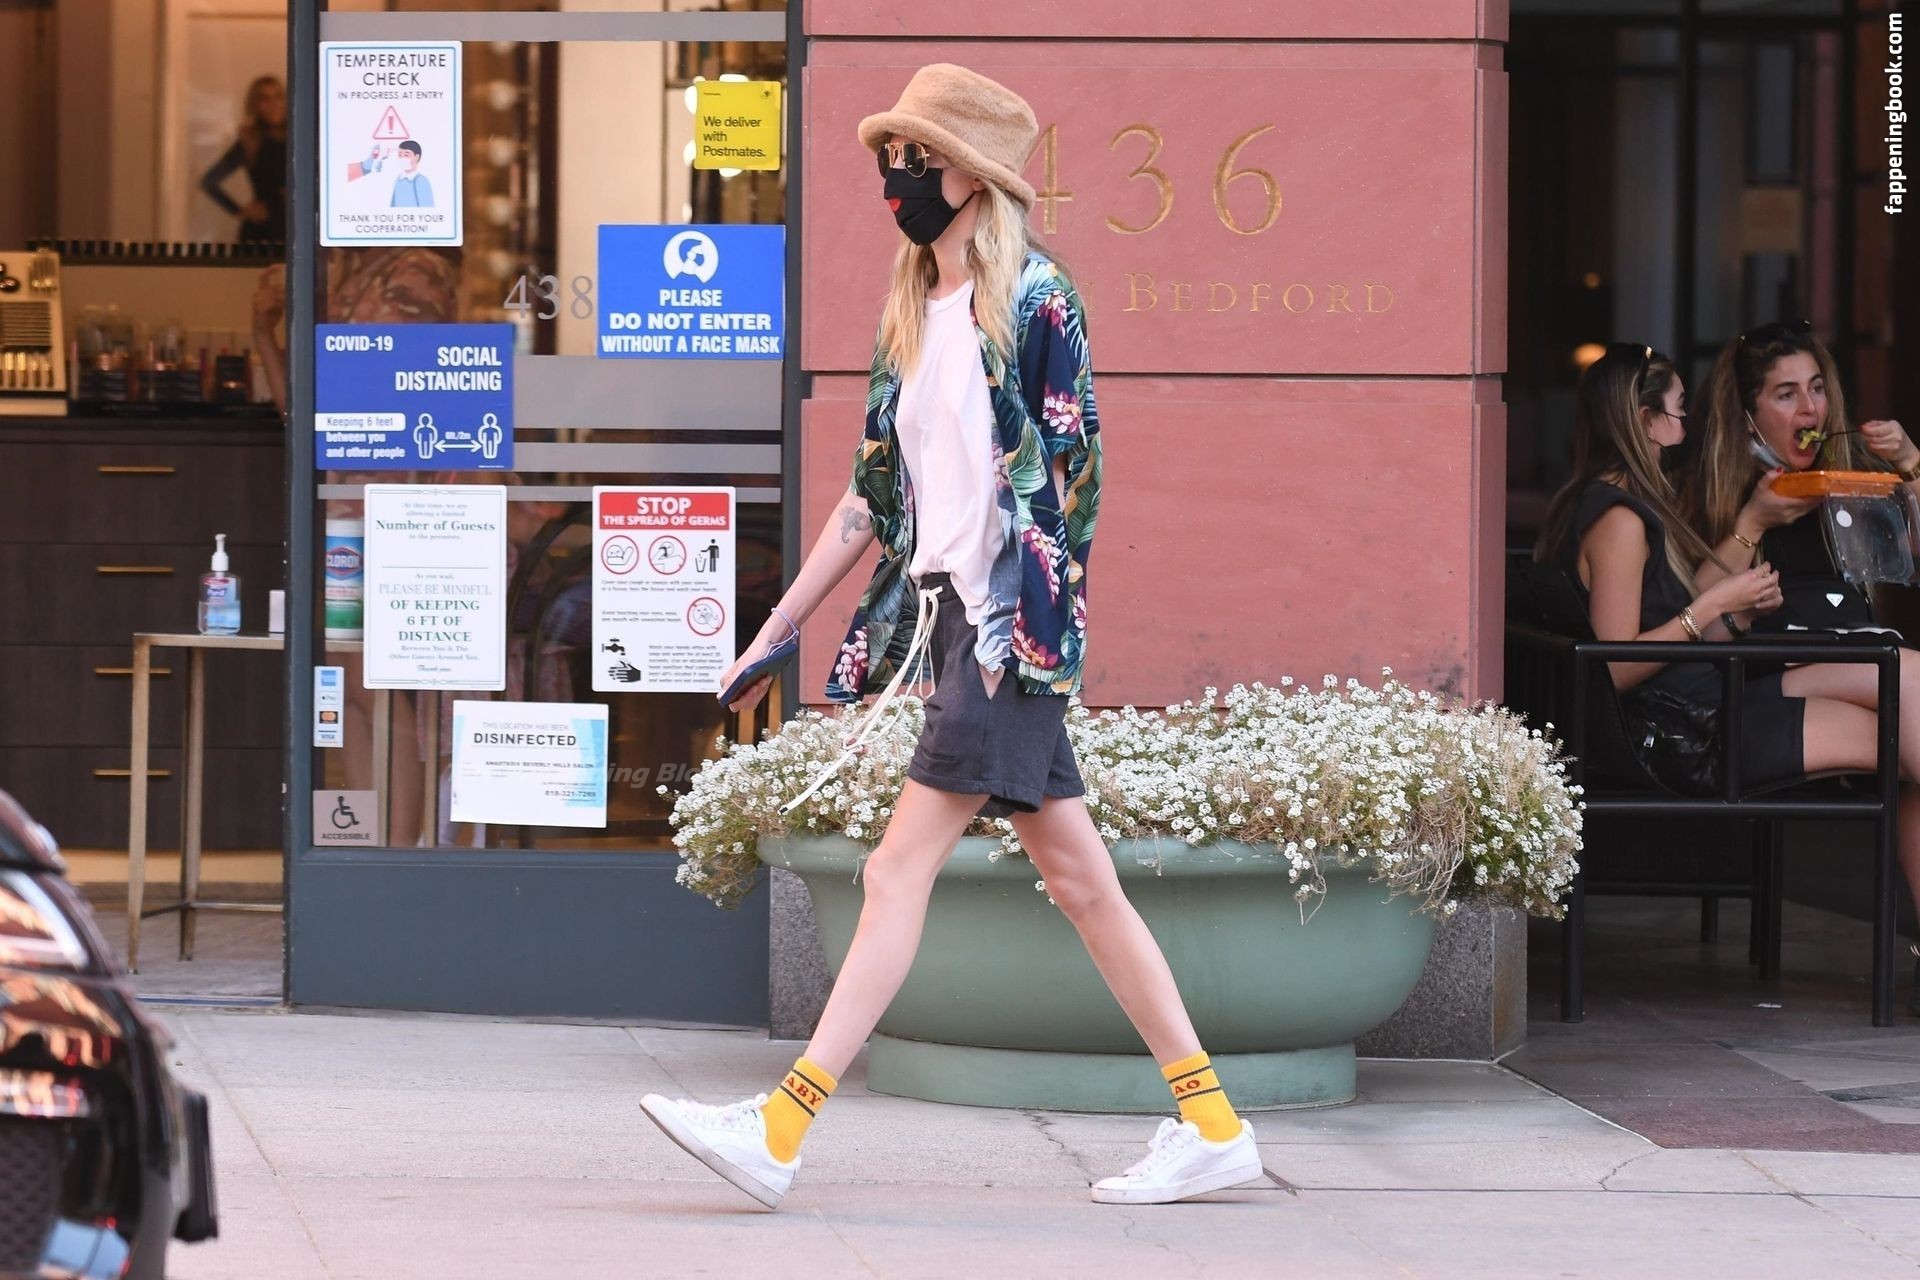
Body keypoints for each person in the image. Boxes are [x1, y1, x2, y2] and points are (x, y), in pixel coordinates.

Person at [639, 63, 1265, 1209]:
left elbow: (1073, 485)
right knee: (1083, 881)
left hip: (1001, 638)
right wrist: (778, 628)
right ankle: (1214, 1121)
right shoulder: (910, 311)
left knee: (896, 867)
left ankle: (782, 1124)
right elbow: (870, 495)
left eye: (917, 160)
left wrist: (1022, 634)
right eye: (891, 159)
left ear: (972, 177)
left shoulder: (1037, 303)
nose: (898, 178)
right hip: (949, 629)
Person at [1686, 319, 1920, 1011]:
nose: (1809, 408)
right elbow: (1698, 622)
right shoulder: (1718, 485)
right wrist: (1755, 521)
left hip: (1858, 662)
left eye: (1816, 389)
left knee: (1912, 751)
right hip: (1767, 674)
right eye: (1785, 394)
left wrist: (1912, 465)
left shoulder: (1850, 475)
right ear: (1748, 413)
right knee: (1906, 673)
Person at [1537, 343, 1804, 790]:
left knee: (1896, 688)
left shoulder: (1603, 503)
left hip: (1696, 709)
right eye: (1679, 410)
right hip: (1686, 731)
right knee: (1887, 713)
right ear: (1647, 421)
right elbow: (1614, 667)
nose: (1686, 426)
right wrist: (1714, 603)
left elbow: (1661, 629)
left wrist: (1736, 613)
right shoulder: (1618, 520)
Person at [199, 75, 288, 243]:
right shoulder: (251, 140)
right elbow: (209, 182)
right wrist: (238, 210)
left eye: (278, 97)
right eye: (264, 99)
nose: (273, 104)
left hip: (300, 225)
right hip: (264, 231)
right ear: (255, 105)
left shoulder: (303, 137)